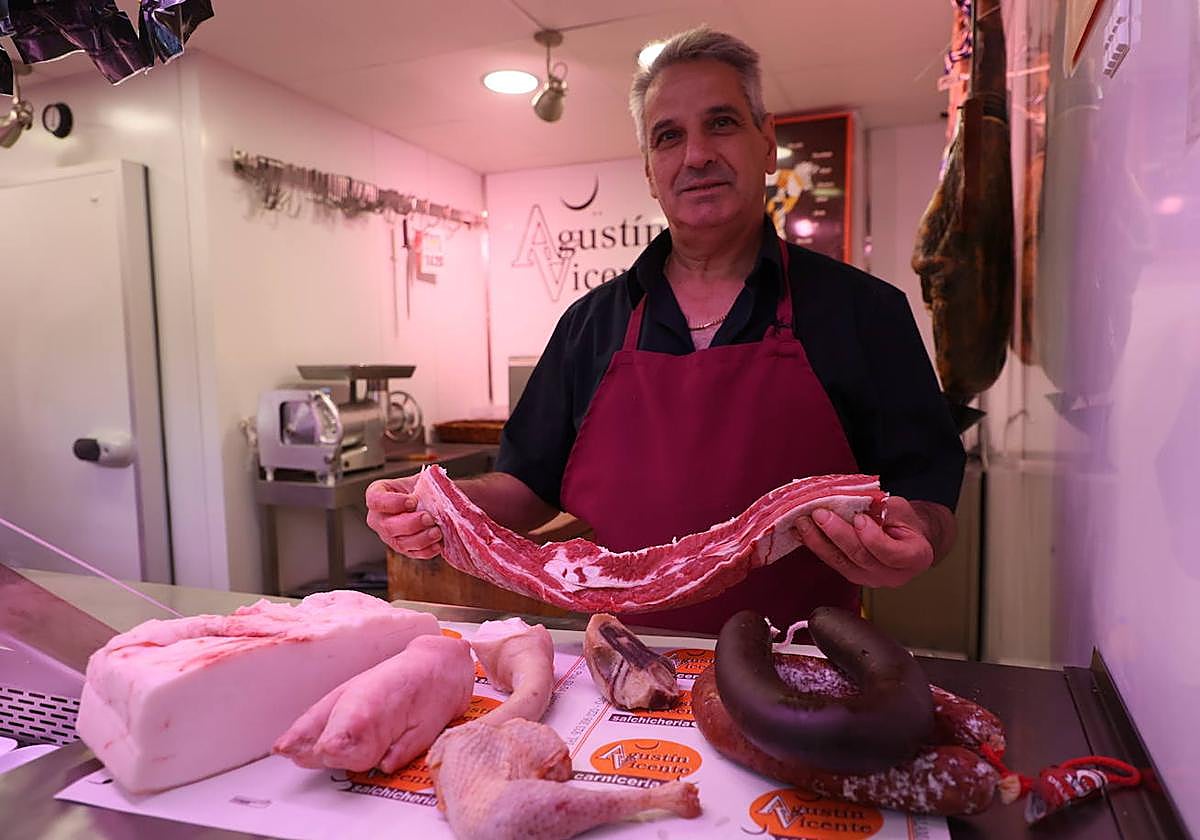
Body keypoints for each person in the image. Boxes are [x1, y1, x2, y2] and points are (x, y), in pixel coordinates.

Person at [366, 27, 964, 634]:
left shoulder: (865, 311)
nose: (696, 154)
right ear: (651, 171)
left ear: (767, 142)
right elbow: (527, 487)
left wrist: (918, 534)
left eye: (722, 123)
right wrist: (435, 501)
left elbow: (927, 496)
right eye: (668, 136)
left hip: (804, 660)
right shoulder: (589, 325)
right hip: (629, 665)